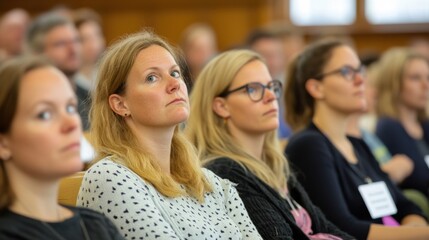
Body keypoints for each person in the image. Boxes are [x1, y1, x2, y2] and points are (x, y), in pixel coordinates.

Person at [77, 31, 262, 239]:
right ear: (120, 104)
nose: (174, 84)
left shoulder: (213, 183)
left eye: (175, 73)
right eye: (152, 77)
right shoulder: (111, 178)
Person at [186, 49, 352, 240]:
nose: (271, 96)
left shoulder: (275, 166)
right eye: (253, 89)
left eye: (271, 86)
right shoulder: (225, 172)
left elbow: (328, 227)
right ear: (221, 106)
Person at [284, 39, 429, 240]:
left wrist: (415, 229)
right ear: (316, 88)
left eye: (359, 71)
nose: (361, 80)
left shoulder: (356, 143)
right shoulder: (309, 145)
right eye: (346, 72)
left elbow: (406, 205)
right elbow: (341, 227)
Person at [0, 56, 123, 239]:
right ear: (3, 143)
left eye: (70, 108)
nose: (71, 124)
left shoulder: (97, 226)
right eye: (44, 114)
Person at [375, 47, 429, 200]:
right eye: (415, 78)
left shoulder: (424, 124)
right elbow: (418, 182)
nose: (425, 86)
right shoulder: (388, 127)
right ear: (394, 84)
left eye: (428, 77)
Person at [25, 12, 91, 131]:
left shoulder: (89, 97)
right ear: (37, 53)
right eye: (61, 44)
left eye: (76, 40)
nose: (73, 49)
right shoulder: (26, 101)